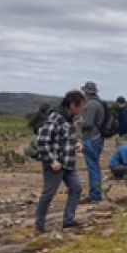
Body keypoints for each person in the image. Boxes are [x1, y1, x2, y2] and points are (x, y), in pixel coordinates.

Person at [34, 90, 86, 234]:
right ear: (71, 105)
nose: (81, 108)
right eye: (80, 106)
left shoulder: (70, 119)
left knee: (76, 188)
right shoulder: (55, 118)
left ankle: (68, 222)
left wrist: (77, 143)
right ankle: (39, 225)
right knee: (48, 194)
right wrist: (52, 161)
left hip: (69, 163)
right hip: (55, 165)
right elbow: (42, 141)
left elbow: (69, 137)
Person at [80, 81, 105, 203]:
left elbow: (88, 123)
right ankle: (97, 191)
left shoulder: (90, 105)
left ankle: (94, 194)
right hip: (98, 137)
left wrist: (78, 123)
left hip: (90, 138)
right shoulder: (99, 103)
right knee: (95, 166)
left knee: (92, 167)